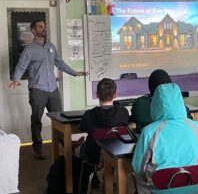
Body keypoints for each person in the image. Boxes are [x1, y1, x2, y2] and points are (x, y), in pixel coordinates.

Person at [8, 20, 88, 160]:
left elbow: (59, 63)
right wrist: (16, 79)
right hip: (37, 89)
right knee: (36, 119)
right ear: (33, 30)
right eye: (40, 26)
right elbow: (21, 66)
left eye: (44, 26)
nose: (44, 28)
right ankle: (38, 148)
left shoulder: (51, 47)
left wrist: (74, 73)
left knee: (60, 119)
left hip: (53, 89)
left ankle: (67, 144)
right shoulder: (29, 50)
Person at [132, 83, 198, 194]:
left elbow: (139, 168)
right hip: (189, 186)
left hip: (156, 189)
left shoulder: (149, 132)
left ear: (155, 104)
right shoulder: (196, 127)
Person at [79, 78, 129, 164]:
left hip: (94, 155)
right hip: (118, 151)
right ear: (115, 95)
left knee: (83, 146)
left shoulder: (89, 115)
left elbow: (81, 127)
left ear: (97, 94)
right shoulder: (123, 112)